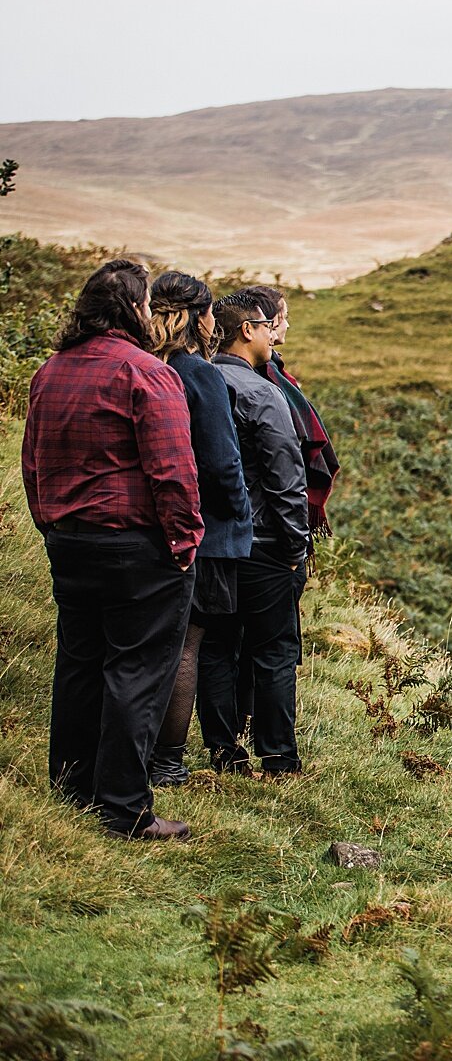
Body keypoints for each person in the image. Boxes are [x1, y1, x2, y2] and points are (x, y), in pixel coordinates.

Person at [20, 258, 203, 839]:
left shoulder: (50, 371)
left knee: (78, 662)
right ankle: (123, 808)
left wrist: (49, 523)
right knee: (137, 669)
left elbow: (33, 459)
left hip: (70, 541)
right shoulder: (145, 372)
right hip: (135, 545)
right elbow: (173, 468)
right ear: (135, 309)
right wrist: (184, 539)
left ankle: (71, 786)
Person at [144, 273, 254, 788]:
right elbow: (221, 460)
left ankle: (135, 746)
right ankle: (167, 759)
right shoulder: (200, 375)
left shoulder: (142, 365)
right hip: (202, 532)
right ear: (200, 317)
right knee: (186, 645)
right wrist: (240, 512)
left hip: (144, 526)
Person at [196, 292, 310, 777]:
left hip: (210, 541)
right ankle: (279, 756)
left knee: (217, 645)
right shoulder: (263, 393)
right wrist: (295, 546)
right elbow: (287, 476)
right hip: (263, 541)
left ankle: (224, 751)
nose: (272, 334)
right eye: (267, 325)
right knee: (274, 650)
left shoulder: (193, 383)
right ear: (246, 330)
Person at [238, 285, 338, 540]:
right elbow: (283, 452)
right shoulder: (268, 378)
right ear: (270, 322)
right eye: (284, 317)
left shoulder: (272, 372)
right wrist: (295, 541)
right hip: (266, 521)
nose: (287, 326)